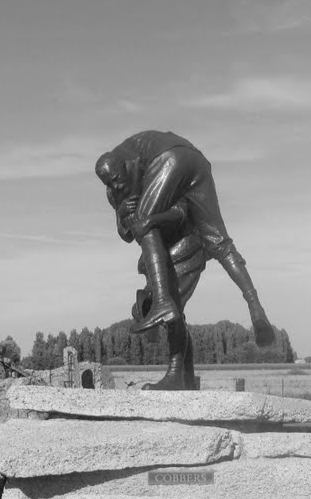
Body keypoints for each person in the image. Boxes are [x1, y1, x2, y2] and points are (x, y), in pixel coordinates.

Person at [95, 130, 275, 349]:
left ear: (126, 165)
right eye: (110, 184)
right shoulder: (116, 191)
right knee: (218, 241)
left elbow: (142, 227)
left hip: (171, 157)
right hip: (196, 161)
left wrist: (147, 220)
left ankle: (161, 302)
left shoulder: (138, 161)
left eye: (118, 180)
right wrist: (122, 212)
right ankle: (255, 306)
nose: (117, 187)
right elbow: (128, 234)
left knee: (144, 222)